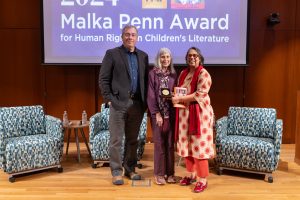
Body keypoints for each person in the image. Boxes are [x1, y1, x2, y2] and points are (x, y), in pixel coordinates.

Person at [99, 24, 149, 185]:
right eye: (127, 34)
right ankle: (116, 171)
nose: (130, 37)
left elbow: (146, 81)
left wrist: (145, 104)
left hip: (137, 104)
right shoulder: (112, 54)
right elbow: (103, 79)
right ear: (122, 37)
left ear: (137, 37)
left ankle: (130, 169)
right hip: (119, 104)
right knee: (116, 140)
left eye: (133, 35)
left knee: (133, 140)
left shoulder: (143, 56)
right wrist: (110, 99)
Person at [172, 47, 214, 193]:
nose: (192, 57)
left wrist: (180, 98)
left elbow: (200, 94)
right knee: (187, 146)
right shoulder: (183, 73)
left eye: (195, 55)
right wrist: (174, 96)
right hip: (184, 114)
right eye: (189, 55)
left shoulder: (204, 74)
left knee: (199, 147)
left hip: (199, 115)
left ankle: (202, 179)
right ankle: (190, 174)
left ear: (200, 57)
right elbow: (180, 90)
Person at [147, 48, 177, 185]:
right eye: (163, 57)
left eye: (168, 57)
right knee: (159, 145)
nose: (165, 59)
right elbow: (151, 95)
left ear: (170, 59)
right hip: (158, 115)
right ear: (159, 58)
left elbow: (177, 94)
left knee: (170, 145)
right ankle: (159, 174)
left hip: (171, 114)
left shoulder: (173, 75)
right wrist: (156, 113)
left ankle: (170, 173)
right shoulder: (152, 74)